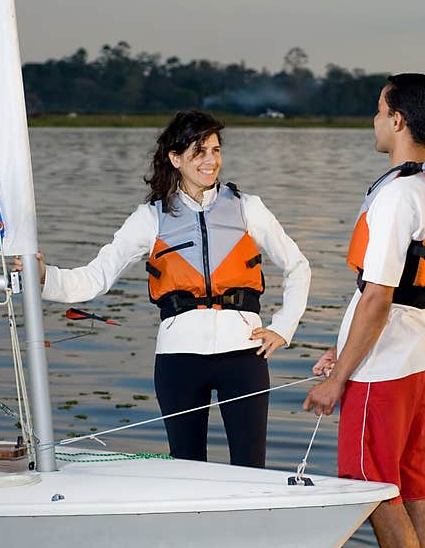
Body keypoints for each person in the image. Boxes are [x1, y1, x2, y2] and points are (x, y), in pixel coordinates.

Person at [16, 110, 310, 468]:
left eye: (216, 150)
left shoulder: (248, 208)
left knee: (251, 467)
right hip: (178, 359)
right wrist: (44, 277)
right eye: (199, 152)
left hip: (244, 356)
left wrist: (283, 327)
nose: (211, 161)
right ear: (175, 158)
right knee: (185, 467)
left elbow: (298, 266)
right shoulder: (150, 217)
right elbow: (96, 278)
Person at [302, 74, 425, 548]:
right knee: (411, 483)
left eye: (378, 110)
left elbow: (377, 297)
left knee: (367, 482)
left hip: (383, 365)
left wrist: (338, 378)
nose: (374, 120)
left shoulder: (398, 194)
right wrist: (342, 349)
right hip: (416, 355)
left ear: (397, 120)